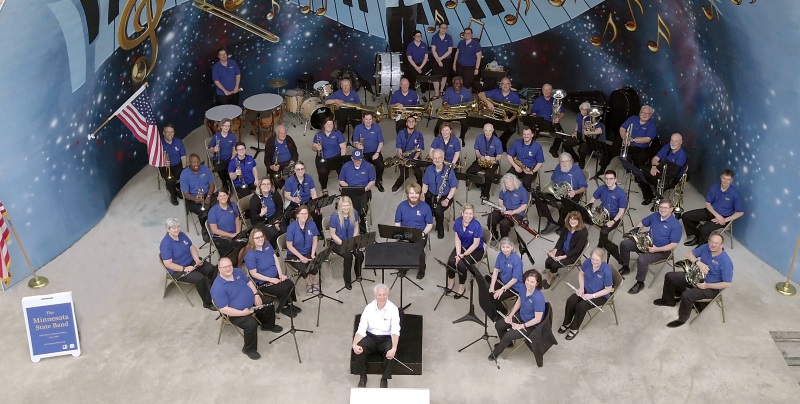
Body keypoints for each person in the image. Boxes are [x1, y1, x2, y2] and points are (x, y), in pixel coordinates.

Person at [654, 233, 733, 328]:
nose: (713, 245)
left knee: (686, 295)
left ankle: (682, 318)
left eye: (716, 243)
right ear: (708, 241)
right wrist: (698, 263)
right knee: (670, 276)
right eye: (711, 242)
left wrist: (707, 285)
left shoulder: (726, 262)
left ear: (721, 245)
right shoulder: (706, 247)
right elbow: (689, 254)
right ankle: (668, 301)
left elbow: (727, 284)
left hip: (711, 287)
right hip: (698, 277)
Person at [211, 257, 282, 360]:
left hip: (252, 302)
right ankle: (249, 349)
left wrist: (256, 294)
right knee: (251, 324)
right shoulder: (218, 287)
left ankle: (268, 325)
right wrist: (242, 313)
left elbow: (248, 282)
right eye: (224, 267)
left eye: (229, 265)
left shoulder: (237, 271)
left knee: (268, 301)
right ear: (219, 269)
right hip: (236, 313)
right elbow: (224, 309)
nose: (228, 269)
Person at [610, 198, 681, 295]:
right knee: (625, 244)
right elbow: (642, 222)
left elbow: (673, 245)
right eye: (661, 207)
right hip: (647, 242)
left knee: (642, 259)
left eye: (665, 208)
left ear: (671, 209)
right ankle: (625, 266)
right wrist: (636, 230)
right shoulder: (656, 215)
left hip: (662, 251)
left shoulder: (675, 225)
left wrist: (656, 249)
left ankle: (640, 282)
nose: (662, 210)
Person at [159, 218, 217, 310]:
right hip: (178, 269)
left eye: (178, 227)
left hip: (191, 261)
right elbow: (168, 264)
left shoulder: (181, 235)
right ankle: (207, 302)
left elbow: (191, 247)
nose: (177, 229)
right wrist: (184, 269)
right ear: (168, 229)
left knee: (211, 269)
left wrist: (197, 259)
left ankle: (216, 288)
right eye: (173, 228)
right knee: (200, 278)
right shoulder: (165, 244)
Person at [352, 283, 401, 389]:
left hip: (386, 338)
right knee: (358, 349)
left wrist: (394, 348)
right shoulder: (368, 308)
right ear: (375, 296)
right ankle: (362, 377)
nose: (382, 297)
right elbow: (361, 328)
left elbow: (395, 330)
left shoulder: (393, 309)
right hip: (371, 337)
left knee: (391, 353)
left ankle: (384, 378)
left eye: (384, 294)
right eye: (380, 295)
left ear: (387, 295)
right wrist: (354, 344)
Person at [489, 269, 546, 359]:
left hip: (531, 325)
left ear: (537, 283)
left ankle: (497, 352)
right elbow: (519, 300)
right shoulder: (523, 287)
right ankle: (507, 343)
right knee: (499, 325)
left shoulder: (538, 298)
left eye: (532, 282)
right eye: (527, 280)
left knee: (508, 335)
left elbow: (537, 319)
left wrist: (521, 326)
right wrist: (510, 315)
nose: (529, 283)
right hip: (522, 315)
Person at [558, 248, 613, 340]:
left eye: (597, 260)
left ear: (602, 260)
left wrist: (592, 296)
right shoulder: (588, 262)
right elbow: (581, 273)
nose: (594, 262)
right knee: (571, 301)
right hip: (586, 289)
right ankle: (566, 323)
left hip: (599, 295)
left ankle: (574, 329)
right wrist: (581, 287)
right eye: (593, 259)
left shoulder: (606, 271)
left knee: (581, 306)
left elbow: (608, 290)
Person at [245, 228, 301, 318]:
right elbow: (253, 274)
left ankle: (290, 303)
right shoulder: (250, 255)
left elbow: (275, 260)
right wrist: (271, 279)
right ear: (252, 240)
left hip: (275, 276)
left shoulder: (267, 244)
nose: (260, 239)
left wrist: (280, 274)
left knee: (290, 283)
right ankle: (284, 307)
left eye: (261, 236)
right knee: (284, 288)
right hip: (264, 282)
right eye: (257, 238)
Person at [682, 169, 744, 247]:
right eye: (724, 178)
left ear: (731, 180)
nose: (725, 181)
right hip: (711, 211)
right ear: (720, 177)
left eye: (728, 179)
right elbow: (708, 203)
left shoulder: (735, 194)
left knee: (704, 229)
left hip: (723, 217)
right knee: (686, 216)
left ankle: (702, 246)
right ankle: (697, 237)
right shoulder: (714, 187)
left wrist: (724, 219)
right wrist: (716, 215)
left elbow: (740, 212)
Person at [533, 153, 588, 234]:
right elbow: (553, 180)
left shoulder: (577, 171)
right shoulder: (558, 167)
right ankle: (551, 221)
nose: (564, 164)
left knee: (564, 206)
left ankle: (561, 224)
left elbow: (584, 187)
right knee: (539, 197)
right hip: (559, 190)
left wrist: (575, 192)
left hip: (573, 193)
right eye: (562, 161)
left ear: (571, 161)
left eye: (567, 161)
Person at [394, 183, 433, 279]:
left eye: (416, 193)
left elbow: (429, 224)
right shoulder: (401, 206)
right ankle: (404, 267)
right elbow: (397, 222)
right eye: (411, 193)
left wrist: (423, 233)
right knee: (402, 247)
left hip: (420, 233)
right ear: (407, 194)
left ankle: (421, 269)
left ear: (420, 194)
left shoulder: (425, 207)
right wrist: (400, 233)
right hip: (405, 233)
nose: (414, 196)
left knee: (418, 250)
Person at [543, 211, 589, 289]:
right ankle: (552, 273)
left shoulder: (583, 232)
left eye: (575, 219)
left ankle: (550, 279)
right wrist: (555, 249)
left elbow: (577, 250)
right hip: (563, 249)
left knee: (554, 264)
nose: (572, 221)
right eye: (571, 219)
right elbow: (561, 239)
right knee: (548, 261)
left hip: (571, 255)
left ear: (579, 221)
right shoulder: (567, 226)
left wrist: (563, 257)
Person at [639, 133, 688, 205]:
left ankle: (658, 201)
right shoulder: (667, 147)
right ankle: (649, 196)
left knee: (656, 180)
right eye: (672, 140)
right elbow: (655, 158)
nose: (673, 143)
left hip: (671, 177)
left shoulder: (682, 155)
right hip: (660, 169)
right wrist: (654, 166)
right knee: (641, 173)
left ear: (681, 142)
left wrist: (659, 166)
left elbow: (673, 172)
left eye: (676, 141)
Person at [446, 204, 484, 298]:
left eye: (471, 213)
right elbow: (457, 238)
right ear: (462, 213)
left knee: (462, 265)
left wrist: (463, 255)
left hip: (476, 250)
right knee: (451, 261)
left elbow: (475, 244)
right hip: (463, 246)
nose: (468, 216)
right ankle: (451, 282)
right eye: (466, 213)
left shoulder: (476, 225)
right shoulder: (458, 222)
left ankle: (461, 287)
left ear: (473, 214)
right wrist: (458, 254)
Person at [587, 170, 628, 255]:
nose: (608, 181)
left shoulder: (621, 193)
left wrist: (613, 221)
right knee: (584, 218)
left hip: (614, 217)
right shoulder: (602, 188)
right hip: (602, 212)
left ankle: (600, 247)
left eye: (611, 179)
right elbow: (592, 199)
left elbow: (621, 211)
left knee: (604, 231)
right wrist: (588, 210)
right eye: (606, 179)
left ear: (615, 180)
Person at [422, 149, 458, 239]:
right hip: (431, 194)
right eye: (435, 158)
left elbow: (453, 187)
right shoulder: (429, 169)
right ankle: (426, 225)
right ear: (432, 159)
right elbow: (425, 184)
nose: (437, 160)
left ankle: (440, 227)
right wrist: (422, 194)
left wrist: (447, 199)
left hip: (445, 196)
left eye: (439, 158)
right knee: (425, 208)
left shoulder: (449, 171)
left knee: (438, 210)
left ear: (443, 158)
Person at [478, 77, 521, 152]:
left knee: (512, 129)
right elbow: (480, 94)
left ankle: (501, 142)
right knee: (487, 123)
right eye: (503, 84)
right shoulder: (496, 91)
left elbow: (518, 111)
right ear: (500, 85)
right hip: (497, 112)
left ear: (510, 85)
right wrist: (488, 103)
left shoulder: (515, 96)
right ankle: (497, 142)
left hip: (509, 115)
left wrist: (510, 120)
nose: (505, 86)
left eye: (507, 84)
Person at [330, 196, 364, 290]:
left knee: (360, 255)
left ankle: (358, 274)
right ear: (340, 206)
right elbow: (332, 234)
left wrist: (354, 238)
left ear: (350, 205)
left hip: (351, 241)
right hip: (337, 242)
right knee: (348, 256)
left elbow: (356, 226)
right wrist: (343, 243)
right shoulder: (334, 217)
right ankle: (347, 281)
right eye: (343, 206)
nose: (346, 208)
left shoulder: (354, 213)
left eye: (348, 205)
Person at [285, 205, 321, 296]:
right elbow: (289, 246)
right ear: (297, 215)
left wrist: (313, 253)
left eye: (306, 213)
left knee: (313, 267)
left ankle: (315, 282)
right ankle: (309, 283)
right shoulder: (291, 228)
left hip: (308, 251)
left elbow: (315, 239)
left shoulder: (311, 224)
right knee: (304, 269)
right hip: (295, 254)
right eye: (302, 214)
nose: (304, 216)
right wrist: (301, 257)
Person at [180, 154, 216, 242]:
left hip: (206, 194)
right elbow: (186, 194)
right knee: (203, 211)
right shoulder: (184, 174)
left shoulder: (204, 169)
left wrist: (208, 196)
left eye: (198, 162)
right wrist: (194, 199)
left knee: (218, 203)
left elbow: (212, 185)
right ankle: (205, 228)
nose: (197, 164)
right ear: (189, 163)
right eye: (194, 163)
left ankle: (215, 225)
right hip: (192, 198)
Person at [207, 188, 248, 266]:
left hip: (234, 233)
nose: (223, 198)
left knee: (249, 242)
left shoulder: (232, 205)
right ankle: (237, 266)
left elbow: (237, 219)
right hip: (221, 237)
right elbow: (215, 230)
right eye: (220, 196)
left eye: (224, 195)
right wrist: (231, 235)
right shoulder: (213, 212)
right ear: (217, 198)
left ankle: (239, 260)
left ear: (228, 196)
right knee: (239, 246)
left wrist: (238, 232)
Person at [338, 149, 376, 232]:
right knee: (346, 204)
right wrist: (348, 187)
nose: (358, 161)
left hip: (363, 189)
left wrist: (366, 188)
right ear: (352, 158)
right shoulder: (346, 166)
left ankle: (361, 222)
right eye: (356, 160)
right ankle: (348, 224)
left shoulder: (368, 166)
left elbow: (372, 181)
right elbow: (341, 180)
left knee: (361, 204)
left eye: (360, 159)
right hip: (349, 189)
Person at [466, 123, 503, 200]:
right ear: (483, 130)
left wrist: (491, 158)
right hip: (481, 159)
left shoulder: (497, 141)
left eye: (489, 130)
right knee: (469, 171)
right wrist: (480, 156)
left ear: (493, 130)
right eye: (486, 130)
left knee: (488, 175)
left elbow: (499, 157)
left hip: (492, 162)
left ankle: (486, 194)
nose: (487, 132)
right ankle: (482, 184)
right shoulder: (479, 138)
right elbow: (476, 151)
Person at [489, 237, 526, 314]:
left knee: (496, 297)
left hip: (514, 286)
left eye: (507, 247)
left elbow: (514, 279)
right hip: (503, 280)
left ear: (512, 247)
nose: (505, 249)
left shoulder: (516, 260)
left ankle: (503, 312)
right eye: (503, 247)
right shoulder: (500, 255)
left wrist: (502, 289)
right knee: (489, 290)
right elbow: (495, 271)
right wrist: (492, 287)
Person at [488, 173, 529, 242]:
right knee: (491, 217)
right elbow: (500, 200)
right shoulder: (504, 190)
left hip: (517, 212)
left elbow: (524, 206)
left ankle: (504, 240)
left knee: (504, 223)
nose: (508, 185)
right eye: (506, 183)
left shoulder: (522, 190)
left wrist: (513, 212)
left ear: (514, 182)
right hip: (504, 210)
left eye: (510, 182)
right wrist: (502, 207)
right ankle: (493, 235)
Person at [283, 161, 322, 232]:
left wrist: (316, 204)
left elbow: (313, 192)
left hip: (307, 201)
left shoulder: (309, 178)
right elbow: (286, 195)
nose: (300, 171)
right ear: (294, 170)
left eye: (302, 169)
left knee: (317, 214)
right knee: (301, 217)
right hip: (295, 203)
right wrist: (294, 199)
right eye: (298, 169)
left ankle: (319, 231)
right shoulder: (289, 181)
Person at [312, 117, 347, 197]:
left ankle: (343, 186)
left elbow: (343, 147)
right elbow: (313, 147)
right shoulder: (318, 135)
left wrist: (342, 159)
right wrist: (316, 147)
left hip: (336, 157)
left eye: (331, 124)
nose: (329, 126)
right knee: (322, 172)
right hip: (322, 158)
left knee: (343, 170)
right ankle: (324, 188)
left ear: (333, 125)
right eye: (327, 124)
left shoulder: (337, 133)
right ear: (324, 125)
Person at [528, 84, 565, 158]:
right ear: (542, 91)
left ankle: (553, 149)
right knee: (529, 132)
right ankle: (529, 148)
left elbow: (562, 113)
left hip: (553, 122)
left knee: (561, 134)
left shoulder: (557, 100)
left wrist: (559, 118)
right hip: (539, 122)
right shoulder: (538, 100)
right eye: (544, 89)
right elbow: (533, 112)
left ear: (552, 91)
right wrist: (535, 119)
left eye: (548, 90)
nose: (546, 91)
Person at [390, 116, 425, 192]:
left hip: (414, 157)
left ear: (415, 123)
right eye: (409, 121)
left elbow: (419, 150)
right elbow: (398, 148)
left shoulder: (419, 135)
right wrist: (402, 159)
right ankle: (397, 184)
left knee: (419, 173)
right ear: (406, 123)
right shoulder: (401, 133)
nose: (411, 123)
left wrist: (414, 159)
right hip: (402, 157)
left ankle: (420, 184)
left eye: (413, 121)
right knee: (404, 175)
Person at [353, 112, 386, 192]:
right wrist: (358, 146)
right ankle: (362, 182)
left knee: (380, 165)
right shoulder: (358, 128)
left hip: (375, 152)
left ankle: (378, 181)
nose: (368, 121)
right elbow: (354, 142)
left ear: (372, 119)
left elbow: (381, 142)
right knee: (360, 165)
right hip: (362, 152)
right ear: (363, 119)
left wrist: (377, 153)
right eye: (366, 119)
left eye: (370, 119)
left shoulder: (377, 128)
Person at [434, 76, 471, 146]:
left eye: (458, 83)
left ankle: (462, 138)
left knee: (465, 125)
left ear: (461, 83)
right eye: (454, 84)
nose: (456, 85)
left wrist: (466, 109)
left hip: (461, 113)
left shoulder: (467, 92)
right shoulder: (448, 90)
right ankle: (437, 133)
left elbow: (470, 104)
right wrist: (445, 104)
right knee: (440, 121)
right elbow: (444, 101)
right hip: (449, 111)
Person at [249, 177, 285, 249]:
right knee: (273, 233)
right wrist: (261, 214)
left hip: (275, 217)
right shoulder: (255, 199)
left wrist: (277, 221)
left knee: (284, 230)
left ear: (271, 185)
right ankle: (273, 249)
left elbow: (280, 208)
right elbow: (253, 218)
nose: (266, 186)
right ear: (260, 186)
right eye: (264, 184)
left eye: (268, 184)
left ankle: (283, 246)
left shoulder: (274, 194)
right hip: (262, 221)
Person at [506, 126, 544, 191]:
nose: (526, 136)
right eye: (524, 134)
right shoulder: (516, 143)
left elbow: (540, 162)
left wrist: (532, 171)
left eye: (528, 134)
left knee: (526, 183)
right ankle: (510, 195)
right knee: (507, 177)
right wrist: (515, 166)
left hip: (530, 169)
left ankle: (526, 198)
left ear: (532, 135)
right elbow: (509, 156)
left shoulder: (538, 147)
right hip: (518, 167)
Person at [619, 105, 657, 169]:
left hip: (639, 148)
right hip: (626, 142)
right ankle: (603, 169)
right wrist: (625, 139)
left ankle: (636, 176)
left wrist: (633, 140)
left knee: (639, 162)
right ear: (640, 112)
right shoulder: (633, 118)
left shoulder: (652, 125)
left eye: (647, 113)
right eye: (643, 112)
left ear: (650, 115)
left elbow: (647, 139)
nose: (645, 115)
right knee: (611, 150)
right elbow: (622, 128)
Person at [159, 124, 187, 206]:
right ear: (163, 133)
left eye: (171, 132)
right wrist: (163, 161)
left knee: (183, 174)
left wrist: (184, 169)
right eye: (167, 132)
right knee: (170, 180)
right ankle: (173, 195)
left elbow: (183, 156)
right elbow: (156, 159)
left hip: (178, 165)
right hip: (165, 167)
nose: (169, 134)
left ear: (174, 133)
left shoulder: (178, 142)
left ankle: (177, 187)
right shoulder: (159, 144)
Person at [264, 124, 298, 189]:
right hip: (277, 165)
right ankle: (287, 191)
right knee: (278, 182)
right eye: (281, 133)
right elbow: (266, 160)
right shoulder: (270, 142)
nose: (283, 135)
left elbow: (295, 153)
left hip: (289, 164)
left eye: (284, 133)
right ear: (276, 133)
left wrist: (293, 160)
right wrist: (271, 167)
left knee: (299, 176)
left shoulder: (289, 139)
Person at [575, 102, 606, 170]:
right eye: (582, 109)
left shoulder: (592, 117)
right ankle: (575, 158)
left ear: (588, 110)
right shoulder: (579, 115)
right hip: (579, 134)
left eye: (586, 109)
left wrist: (589, 132)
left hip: (588, 137)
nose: (583, 111)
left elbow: (600, 131)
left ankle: (582, 162)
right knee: (566, 143)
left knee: (582, 150)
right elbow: (577, 124)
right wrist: (575, 132)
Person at [208, 118, 237, 190]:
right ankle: (225, 182)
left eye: (228, 126)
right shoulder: (216, 137)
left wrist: (232, 158)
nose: (227, 127)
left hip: (229, 158)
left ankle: (230, 181)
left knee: (232, 169)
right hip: (219, 159)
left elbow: (234, 149)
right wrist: (214, 149)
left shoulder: (232, 136)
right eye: (225, 125)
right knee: (221, 171)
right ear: (221, 126)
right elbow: (210, 150)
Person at [429, 22, 453, 99]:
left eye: (445, 28)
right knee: (435, 77)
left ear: (446, 29)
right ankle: (436, 94)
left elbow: (450, 51)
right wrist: (438, 60)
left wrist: (441, 59)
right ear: (439, 28)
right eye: (442, 28)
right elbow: (433, 49)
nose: (443, 29)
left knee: (444, 76)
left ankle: (441, 91)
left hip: (446, 59)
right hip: (436, 59)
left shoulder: (449, 37)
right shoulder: (435, 37)